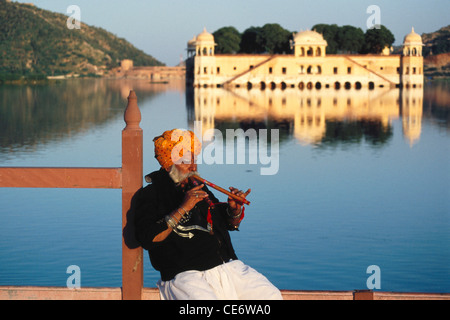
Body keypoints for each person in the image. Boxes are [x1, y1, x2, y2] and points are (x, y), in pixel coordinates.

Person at [134, 129, 282, 300]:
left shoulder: (197, 186)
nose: (193, 167)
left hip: (226, 266)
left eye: (194, 160)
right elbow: (148, 238)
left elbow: (227, 223)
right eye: (185, 161)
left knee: (270, 296)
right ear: (168, 164)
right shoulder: (151, 195)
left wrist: (234, 210)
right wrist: (184, 207)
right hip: (184, 275)